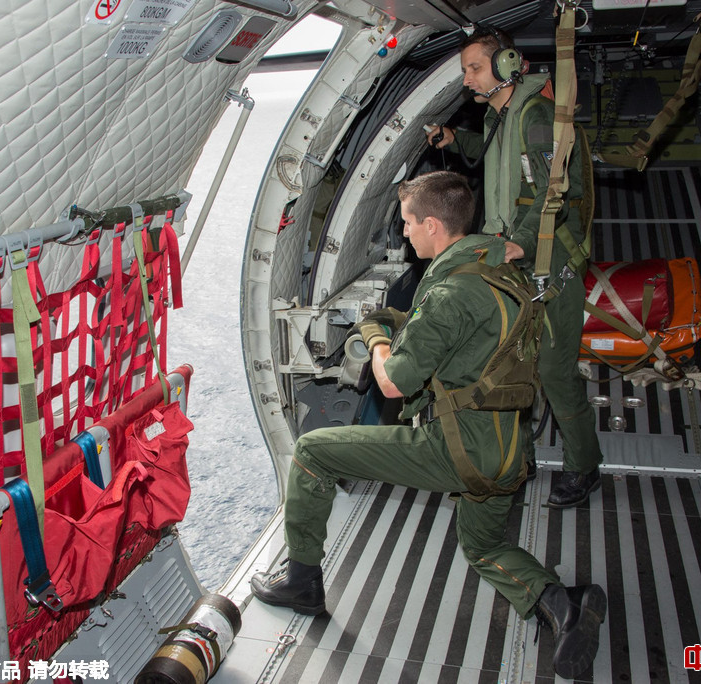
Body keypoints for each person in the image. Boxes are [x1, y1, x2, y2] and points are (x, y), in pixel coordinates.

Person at [250, 171, 606, 680]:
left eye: (408, 224)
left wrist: (376, 336)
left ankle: (302, 583)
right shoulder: (498, 269)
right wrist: (405, 324)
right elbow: (464, 339)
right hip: (508, 446)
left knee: (312, 450)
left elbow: (394, 383)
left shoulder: (447, 295)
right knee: (483, 547)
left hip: (456, 448)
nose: (405, 233)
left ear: (434, 225)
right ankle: (562, 603)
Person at [425, 29, 603, 508]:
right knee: (508, 366)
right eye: (465, 71)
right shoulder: (498, 117)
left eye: (474, 68)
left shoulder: (537, 117)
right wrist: (454, 138)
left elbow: (553, 192)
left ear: (507, 64)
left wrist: (520, 244)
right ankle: (518, 459)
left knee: (555, 371)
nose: (467, 80)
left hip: (550, 263)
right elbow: (496, 160)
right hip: (515, 260)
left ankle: (585, 466)